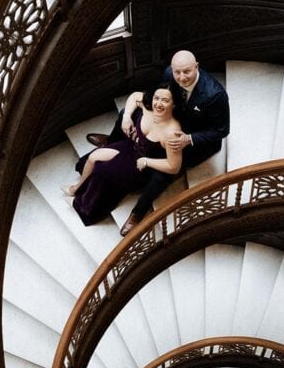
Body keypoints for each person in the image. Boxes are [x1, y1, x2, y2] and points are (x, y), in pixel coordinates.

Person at [87, 50, 230, 235]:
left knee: (163, 174)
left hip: (193, 139)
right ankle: (113, 140)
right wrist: (132, 115)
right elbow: (154, 97)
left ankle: (138, 212)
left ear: (196, 66)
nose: (181, 77)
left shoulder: (215, 95)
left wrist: (189, 139)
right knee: (126, 114)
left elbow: (221, 131)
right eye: (177, 72)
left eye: (187, 71)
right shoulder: (169, 74)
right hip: (171, 120)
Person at [65, 82, 184, 227]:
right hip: (130, 148)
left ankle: (85, 208)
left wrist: (146, 161)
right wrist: (126, 117)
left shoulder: (172, 133)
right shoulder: (148, 107)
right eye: (156, 98)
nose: (158, 104)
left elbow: (174, 166)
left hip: (143, 166)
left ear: (174, 105)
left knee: (102, 171)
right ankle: (77, 188)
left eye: (165, 100)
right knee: (93, 157)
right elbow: (134, 96)